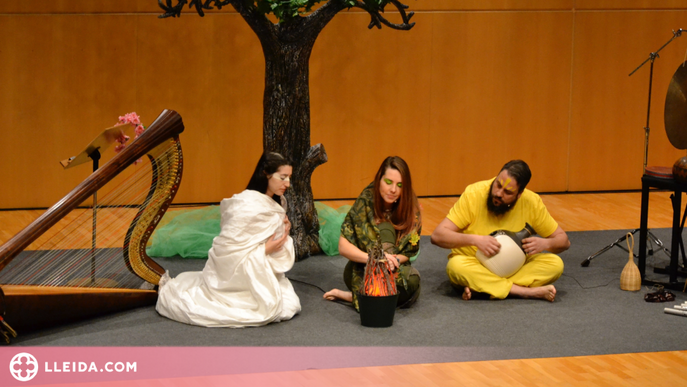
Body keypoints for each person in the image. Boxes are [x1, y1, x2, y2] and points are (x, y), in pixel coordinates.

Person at [156, 152, 301, 327]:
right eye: (283, 177)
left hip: (264, 268)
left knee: (289, 302)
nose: (288, 184)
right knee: (271, 305)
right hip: (237, 272)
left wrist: (284, 228)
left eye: (289, 178)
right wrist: (264, 251)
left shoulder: (276, 202)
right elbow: (229, 252)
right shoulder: (246, 205)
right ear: (266, 174)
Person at [430, 160, 570, 302]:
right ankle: (524, 291)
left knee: (555, 264)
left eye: (507, 192)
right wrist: (475, 240)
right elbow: (438, 235)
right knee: (456, 266)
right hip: (475, 264)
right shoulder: (474, 194)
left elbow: (563, 241)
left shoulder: (531, 202)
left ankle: (483, 287)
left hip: (514, 268)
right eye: (497, 184)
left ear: (519, 194)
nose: (498, 193)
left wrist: (545, 244)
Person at [323, 156, 422, 310]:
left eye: (400, 185)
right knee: (385, 230)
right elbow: (343, 246)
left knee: (410, 283)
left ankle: (354, 296)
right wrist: (375, 259)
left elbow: (408, 253)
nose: (393, 190)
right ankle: (372, 295)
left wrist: (393, 259)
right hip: (363, 267)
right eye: (388, 182)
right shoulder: (366, 201)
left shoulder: (411, 208)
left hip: (394, 269)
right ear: (379, 179)